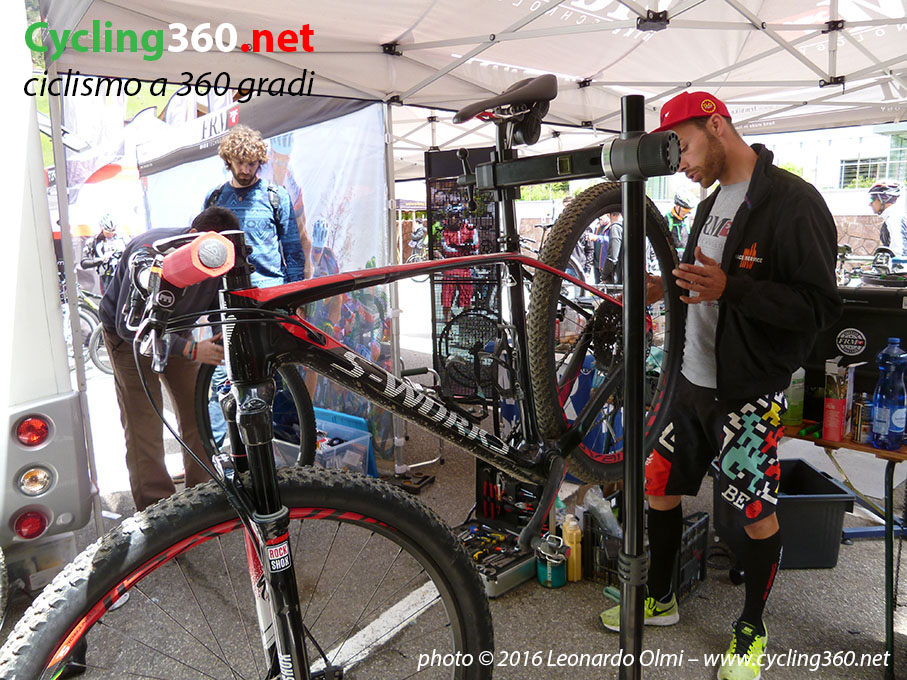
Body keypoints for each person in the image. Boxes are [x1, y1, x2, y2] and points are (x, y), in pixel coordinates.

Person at [599, 91, 841, 680]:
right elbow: (703, 284)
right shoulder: (709, 205)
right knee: (659, 486)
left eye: (681, 146)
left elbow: (818, 309)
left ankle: (752, 629)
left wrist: (732, 288)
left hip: (747, 395)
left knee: (755, 512)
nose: (679, 162)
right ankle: (661, 597)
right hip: (688, 382)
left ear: (715, 125)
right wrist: (667, 287)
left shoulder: (794, 202)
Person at [99, 207, 238, 511]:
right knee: (144, 420)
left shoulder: (222, 254)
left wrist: (223, 337)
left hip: (176, 326)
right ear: (193, 238)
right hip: (129, 338)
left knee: (196, 410)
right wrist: (190, 350)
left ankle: (202, 496)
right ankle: (157, 511)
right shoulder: (150, 255)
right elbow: (130, 328)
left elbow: (221, 303)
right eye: (210, 254)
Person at [204, 124, 306, 288]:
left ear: (260, 162)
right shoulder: (214, 198)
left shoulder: (277, 196)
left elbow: (293, 251)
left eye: (251, 164)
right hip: (228, 292)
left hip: (272, 291)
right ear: (229, 159)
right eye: (240, 163)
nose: (245, 170)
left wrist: (296, 291)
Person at [260, 132, 314, 278]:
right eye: (279, 162)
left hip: (285, 200)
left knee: (302, 238)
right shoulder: (261, 169)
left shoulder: (291, 181)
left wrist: (307, 266)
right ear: (272, 155)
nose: (282, 169)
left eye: (285, 162)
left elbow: (304, 238)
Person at [80, 213, 126, 293]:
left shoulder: (124, 240)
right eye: (107, 232)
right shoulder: (94, 241)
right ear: (101, 228)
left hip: (122, 274)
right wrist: (101, 260)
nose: (110, 234)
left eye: (113, 231)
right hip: (105, 277)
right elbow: (84, 263)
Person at [868, 179, 906, 258]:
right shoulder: (893, 216)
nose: (870, 204)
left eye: (872, 199)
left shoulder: (894, 218)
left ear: (883, 200)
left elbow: (900, 251)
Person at [599, 211, 623, 284]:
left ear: (610, 215)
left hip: (619, 278)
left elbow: (612, 257)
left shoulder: (616, 228)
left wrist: (604, 276)